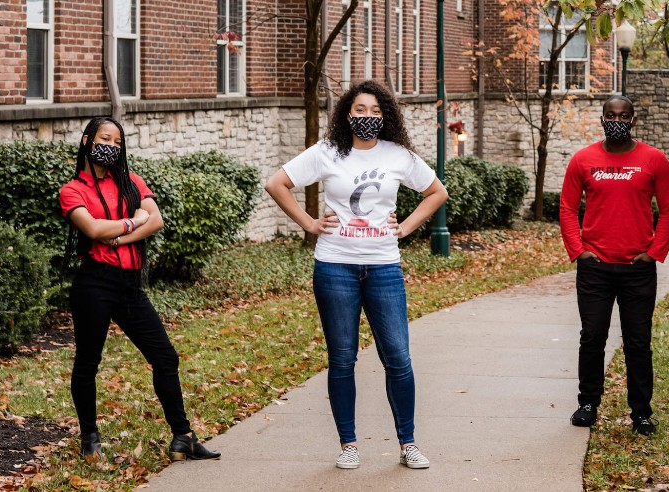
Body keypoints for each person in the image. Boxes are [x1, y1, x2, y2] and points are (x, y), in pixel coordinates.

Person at [264, 80, 448, 470]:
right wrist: (309, 223)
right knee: (342, 358)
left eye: (376, 111)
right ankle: (348, 444)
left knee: (398, 357)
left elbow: (437, 192)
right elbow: (276, 183)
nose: (368, 117)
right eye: (361, 110)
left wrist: (407, 226)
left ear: (386, 117)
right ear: (348, 113)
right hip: (335, 267)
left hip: (384, 267)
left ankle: (408, 443)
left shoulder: (398, 155)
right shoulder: (328, 152)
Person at [59, 116, 220, 462]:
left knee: (165, 356)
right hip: (94, 284)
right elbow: (92, 229)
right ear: (87, 141)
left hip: (130, 285)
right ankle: (90, 438)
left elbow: (156, 219)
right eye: (105, 139)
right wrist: (134, 221)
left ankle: (183, 437)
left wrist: (117, 235)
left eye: (118, 143)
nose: (112, 147)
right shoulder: (73, 190)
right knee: (88, 362)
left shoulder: (131, 181)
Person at [560, 95, 669, 436]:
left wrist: (654, 252)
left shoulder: (654, 160)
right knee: (592, 337)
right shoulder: (583, 159)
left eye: (623, 115)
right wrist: (578, 250)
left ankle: (640, 412)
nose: (617, 120)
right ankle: (588, 404)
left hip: (637, 268)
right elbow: (568, 208)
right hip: (595, 267)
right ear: (602, 118)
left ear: (633, 120)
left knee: (638, 341)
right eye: (611, 115)